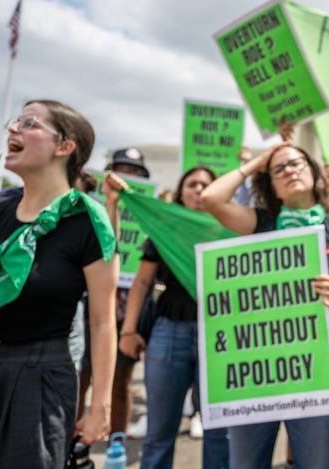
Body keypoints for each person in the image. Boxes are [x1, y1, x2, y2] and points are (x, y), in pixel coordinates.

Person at [0, 99, 118, 467]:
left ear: (65, 147)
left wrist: (100, 407)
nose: (13, 128)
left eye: (28, 123)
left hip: (39, 378)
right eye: (15, 121)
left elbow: (102, 321)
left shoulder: (87, 223)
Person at [201, 142, 329, 469]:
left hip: (317, 369)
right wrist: (256, 163)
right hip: (258, 370)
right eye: (279, 169)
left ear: (313, 171)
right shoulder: (260, 221)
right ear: (271, 184)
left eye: (296, 163)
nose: (290, 171)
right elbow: (211, 199)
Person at [106, 166, 229, 469]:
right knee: (159, 434)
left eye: (206, 185)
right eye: (192, 184)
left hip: (221, 338)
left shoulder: (231, 228)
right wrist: (129, 331)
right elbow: (142, 283)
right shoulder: (166, 230)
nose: (199, 190)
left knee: (219, 433)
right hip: (169, 333)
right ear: (180, 191)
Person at [78, 147, 151, 437]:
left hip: (125, 314)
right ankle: (72, 442)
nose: (127, 176)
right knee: (80, 379)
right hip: (88, 310)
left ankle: (116, 445)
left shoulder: (150, 217)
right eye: (122, 169)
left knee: (121, 382)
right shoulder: (89, 210)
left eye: (134, 172)